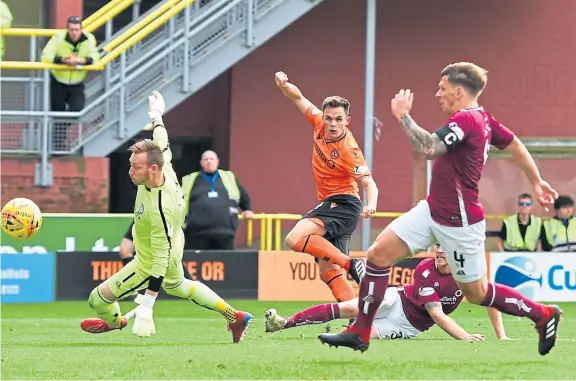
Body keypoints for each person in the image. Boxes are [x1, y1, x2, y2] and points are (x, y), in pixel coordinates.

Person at [318, 62, 562, 356]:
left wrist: (403, 116)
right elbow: (515, 145)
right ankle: (360, 331)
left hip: (459, 221)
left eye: (442, 89)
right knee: (377, 255)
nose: (437, 94)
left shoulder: (467, 121)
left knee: (477, 292)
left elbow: (430, 147)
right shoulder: (484, 119)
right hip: (432, 209)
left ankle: (542, 314)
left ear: (458, 91)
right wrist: (537, 182)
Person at [80, 91, 252, 343]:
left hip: (152, 260)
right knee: (180, 285)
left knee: (97, 298)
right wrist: (157, 116)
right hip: (173, 244)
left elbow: (159, 258)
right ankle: (234, 315)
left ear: (151, 170)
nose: (129, 171)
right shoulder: (164, 166)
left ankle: (116, 322)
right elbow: (161, 140)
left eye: (134, 167)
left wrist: (148, 304)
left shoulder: (160, 206)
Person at [274, 71, 379, 303]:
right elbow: (298, 98)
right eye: (329, 118)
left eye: (338, 119)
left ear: (347, 121)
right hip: (333, 204)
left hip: (343, 204)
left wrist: (371, 204)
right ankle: (356, 319)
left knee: (294, 239)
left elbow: (369, 183)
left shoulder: (349, 149)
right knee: (328, 272)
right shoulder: (318, 122)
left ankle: (353, 264)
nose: (332, 124)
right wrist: (284, 85)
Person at [268, 245, 509, 341]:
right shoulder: (426, 269)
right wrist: (465, 336)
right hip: (398, 299)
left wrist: (501, 336)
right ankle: (283, 323)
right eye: (437, 246)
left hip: (409, 327)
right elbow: (437, 315)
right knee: (350, 307)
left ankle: (337, 336)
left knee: (360, 334)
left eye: (444, 248)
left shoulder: (467, 273)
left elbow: (490, 299)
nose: (438, 252)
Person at [40, 16, 99, 151]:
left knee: (77, 111)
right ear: (67, 29)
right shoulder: (58, 38)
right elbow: (45, 56)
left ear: (81, 29)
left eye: (77, 30)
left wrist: (81, 60)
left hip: (77, 83)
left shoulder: (89, 39)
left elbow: (95, 58)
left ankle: (59, 134)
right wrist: (63, 60)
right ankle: (59, 147)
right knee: (57, 113)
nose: (74, 32)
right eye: (71, 29)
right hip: (58, 82)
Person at [181, 150, 253, 250]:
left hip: (225, 231)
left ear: (217, 161)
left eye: (211, 159)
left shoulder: (229, 177)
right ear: (201, 163)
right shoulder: (190, 179)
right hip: (196, 234)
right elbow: (178, 201)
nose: (209, 161)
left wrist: (247, 209)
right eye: (206, 159)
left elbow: (243, 195)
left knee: (227, 263)